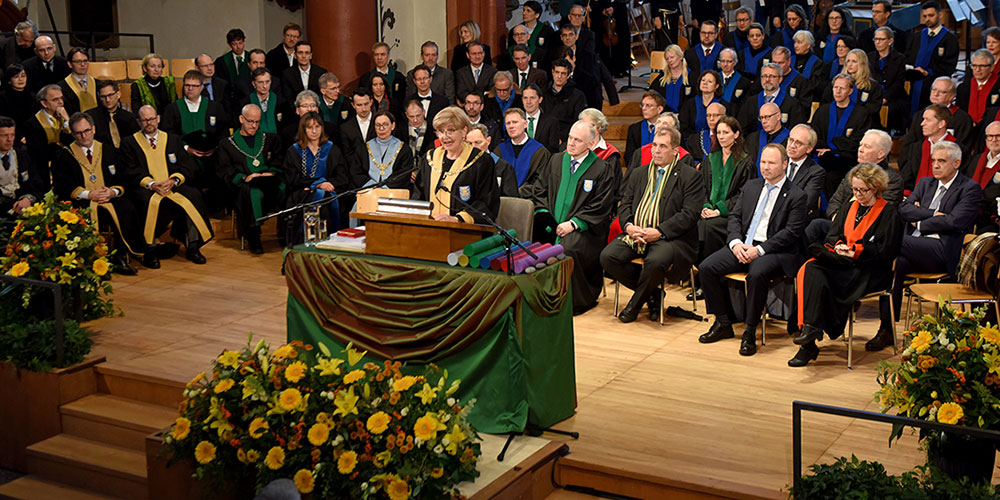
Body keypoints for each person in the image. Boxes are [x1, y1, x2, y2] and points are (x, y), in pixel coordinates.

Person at [872, 141, 982, 351]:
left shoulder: (969, 188)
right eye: (933, 160)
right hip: (912, 249)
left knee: (892, 241)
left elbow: (955, 222)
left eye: (942, 161)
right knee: (893, 264)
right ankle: (886, 328)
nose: (936, 165)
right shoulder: (925, 183)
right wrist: (931, 214)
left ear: (956, 163)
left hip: (942, 251)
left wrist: (920, 221)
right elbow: (904, 209)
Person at [698, 143, 807, 355]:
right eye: (763, 162)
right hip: (743, 244)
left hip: (774, 250)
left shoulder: (796, 195)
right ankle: (722, 322)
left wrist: (760, 250)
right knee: (706, 268)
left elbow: (790, 233)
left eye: (771, 163)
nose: (765, 167)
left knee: (756, 274)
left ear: (784, 164)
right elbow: (735, 218)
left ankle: (749, 331)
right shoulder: (751, 186)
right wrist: (736, 243)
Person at [789, 163, 902, 366]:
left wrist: (857, 250)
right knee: (811, 268)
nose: (857, 194)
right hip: (844, 264)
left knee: (822, 278)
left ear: (875, 187)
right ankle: (810, 332)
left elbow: (887, 251)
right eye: (855, 189)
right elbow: (833, 235)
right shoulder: (849, 207)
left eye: (862, 190)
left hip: (870, 270)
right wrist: (840, 246)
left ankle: (809, 342)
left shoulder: (888, 213)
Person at [601, 126, 705, 323]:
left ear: (675, 150)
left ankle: (635, 304)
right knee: (608, 257)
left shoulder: (690, 176)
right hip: (637, 233)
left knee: (655, 261)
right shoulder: (639, 173)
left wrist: (659, 232)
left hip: (671, 237)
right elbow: (625, 204)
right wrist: (629, 227)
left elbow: (689, 215)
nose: (656, 150)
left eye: (663, 146)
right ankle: (653, 294)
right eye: (654, 145)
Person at [528, 120, 615, 315]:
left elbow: (601, 204)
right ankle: (540, 297)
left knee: (569, 248)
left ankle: (574, 301)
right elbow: (539, 190)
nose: (571, 143)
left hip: (584, 229)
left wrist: (574, 224)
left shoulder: (601, 169)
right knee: (531, 243)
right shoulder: (556, 160)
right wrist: (545, 217)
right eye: (570, 138)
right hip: (551, 223)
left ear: (590, 144)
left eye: (577, 140)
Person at [52, 112, 152, 273]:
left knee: (127, 207)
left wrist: (112, 191)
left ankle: (120, 256)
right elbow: (62, 185)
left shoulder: (109, 150)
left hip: (108, 198)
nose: (84, 136)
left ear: (94, 129)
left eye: (87, 131)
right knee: (81, 213)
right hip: (82, 201)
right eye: (78, 133)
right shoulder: (64, 155)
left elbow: (123, 177)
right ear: (73, 133)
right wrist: (88, 194)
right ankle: (91, 260)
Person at [120, 105, 214, 264]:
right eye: (144, 120)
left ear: (158, 119)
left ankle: (193, 246)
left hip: (172, 185)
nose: (148, 123)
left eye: (151, 119)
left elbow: (187, 166)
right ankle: (149, 249)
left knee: (194, 196)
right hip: (147, 188)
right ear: (138, 121)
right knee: (145, 201)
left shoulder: (173, 139)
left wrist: (173, 180)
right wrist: (151, 184)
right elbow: (130, 170)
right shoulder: (129, 143)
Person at [413, 106, 500, 224]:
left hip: (465, 232)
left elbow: (486, 203)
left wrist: (457, 219)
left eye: (451, 130)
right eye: (441, 131)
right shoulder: (430, 159)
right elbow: (419, 196)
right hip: (430, 229)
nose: (445, 136)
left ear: (464, 131)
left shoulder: (481, 161)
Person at [217, 104, 285, 254]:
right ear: (241, 119)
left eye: (257, 122)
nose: (254, 126)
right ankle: (254, 237)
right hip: (244, 186)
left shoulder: (269, 139)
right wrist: (245, 177)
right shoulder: (227, 144)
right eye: (250, 121)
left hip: (268, 181)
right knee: (253, 193)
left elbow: (278, 158)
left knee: (285, 188)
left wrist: (271, 173)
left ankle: (286, 232)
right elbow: (225, 170)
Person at [160, 70, 229, 210]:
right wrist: (187, 149)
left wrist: (214, 148)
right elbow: (168, 136)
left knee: (220, 174)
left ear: (202, 87)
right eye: (187, 85)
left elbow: (223, 133)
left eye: (194, 86)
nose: (190, 89)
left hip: (211, 156)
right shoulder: (173, 108)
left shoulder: (214, 107)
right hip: (185, 157)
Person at [282, 111, 347, 240]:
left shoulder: (332, 149)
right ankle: (303, 240)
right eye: (310, 127)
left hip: (329, 193)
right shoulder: (294, 151)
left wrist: (327, 185)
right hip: (303, 193)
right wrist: (317, 183)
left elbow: (342, 176)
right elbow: (292, 178)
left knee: (328, 203)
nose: (314, 131)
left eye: (317, 127)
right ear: (303, 129)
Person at [697, 116, 754, 263]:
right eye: (719, 133)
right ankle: (697, 271)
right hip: (708, 211)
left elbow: (744, 195)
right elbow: (701, 188)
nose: (721, 136)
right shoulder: (710, 159)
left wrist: (718, 211)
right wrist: (705, 206)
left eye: (726, 132)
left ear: (736, 134)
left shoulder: (744, 162)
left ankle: (710, 272)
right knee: (696, 223)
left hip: (731, 216)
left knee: (708, 227)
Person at [811, 74, 871, 196]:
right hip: (821, 157)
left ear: (850, 91)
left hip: (846, 160)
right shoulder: (823, 110)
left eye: (842, 88)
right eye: (835, 87)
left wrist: (831, 149)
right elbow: (814, 136)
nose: (837, 91)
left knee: (831, 178)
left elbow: (857, 142)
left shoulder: (861, 113)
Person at [905, 1, 959, 115]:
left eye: (931, 15)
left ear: (940, 15)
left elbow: (949, 66)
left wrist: (927, 72)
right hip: (913, 83)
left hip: (932, 83)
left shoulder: (950, 39)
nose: (927, 19)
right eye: (925, 16)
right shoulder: (917, 36)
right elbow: (908, 58)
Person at [898, 104, 959, 193]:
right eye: (923, 119)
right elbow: (907, 179)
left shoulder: (957, 149)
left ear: (941, 124)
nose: (922, 124)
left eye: (928, 120)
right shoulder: (916, 147)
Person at [901, 77, 974, 151]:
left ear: (951, 96)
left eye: (942, 92)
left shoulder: (962, 119)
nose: (936, 94)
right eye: (934, 90)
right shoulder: (920, 115)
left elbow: (963, 149)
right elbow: (908, 144)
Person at [351, 110, 413, 193]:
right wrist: (372, 186)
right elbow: (356, 172)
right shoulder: (363, 149)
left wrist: (384, 188)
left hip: (394, 195)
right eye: (378, 125)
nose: (381, 128)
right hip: (368, 193)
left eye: (385, 124)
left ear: (393, 125)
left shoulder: (404, 149)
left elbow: (403, 174)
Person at [737, 63, 805, 134]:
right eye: (764, 76)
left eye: (772, 76)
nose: (767, 79)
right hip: (755, 143)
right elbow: (742, 129)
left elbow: (796, 131)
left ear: (780, 79)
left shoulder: (792, 104)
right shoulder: (750, 102)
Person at [496, 107, 551, 194]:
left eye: (515, 122)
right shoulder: (499, 150)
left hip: (528, 200)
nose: (511, 126)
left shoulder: (540, 152)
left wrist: (520, 193)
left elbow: (540, 183)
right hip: (502, 200)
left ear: (525, 124)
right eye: (508, 123)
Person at [0, 117, 44, 222]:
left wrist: (28, 199)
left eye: (12, 135)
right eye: (4, 135)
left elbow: (36, 183)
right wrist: (13, 205)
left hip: (24, 213)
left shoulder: (22, 156)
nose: (9, 139)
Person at [820, 49, 883, 120]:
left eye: (854, 61)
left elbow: (873, 109)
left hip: (862, 122)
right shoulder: (837, 82)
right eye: (848, 61)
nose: (850, 64)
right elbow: (825, 102)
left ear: (862, 64)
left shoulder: (873, 86)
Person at [23, 84, 72, 170]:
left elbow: (74, 140)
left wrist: (67, 120)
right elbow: (39, 153)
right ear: (44, 103)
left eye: (61, 98)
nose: (61, 102)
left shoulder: (67, 115)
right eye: (55, 100)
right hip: (46, 167)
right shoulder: (32, 124)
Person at [869, 27, 908, 135]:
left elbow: (899, 83)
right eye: (875, 39)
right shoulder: (870, 57)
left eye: (881, 39)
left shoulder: (899, 58)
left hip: (893, 96)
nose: (877, 42)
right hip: (874, 95)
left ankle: (892, 135)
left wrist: (886, 98)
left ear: (890, 41)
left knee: (893, 110)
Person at [578, 107, 622, 201]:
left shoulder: (610, 154)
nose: (588, 129)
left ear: (600, 127)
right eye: (584, 125)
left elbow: (613, 187)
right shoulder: (572, 150)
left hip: (600, 203)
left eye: (592, 125)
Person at [784, 124, 826, 220]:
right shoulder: (778, 161)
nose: (792, 146)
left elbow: (805, 204)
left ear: (809, 149)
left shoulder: (816, 172)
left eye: (798, 143)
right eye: (791, 140)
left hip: (798, 223)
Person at [965, 121, 1000, 232]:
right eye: (990, 136)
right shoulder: (977, 159)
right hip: (968, 211)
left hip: (991, 218)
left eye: (998, 136)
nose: (994, 140)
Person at [467, 123, 518, 198]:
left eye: (478, 142)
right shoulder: (463, 167)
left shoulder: (504, 168)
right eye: (469, 143)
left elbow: (512, 202)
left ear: (488, 141)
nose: (474, 147)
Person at [543, 59, 587, 143]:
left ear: (568, 75)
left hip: (567, 139)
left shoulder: (578, 96)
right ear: (552, 72)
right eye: (557, 72)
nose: (559, 76)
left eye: (563, 73)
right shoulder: (543, 93)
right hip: (545, 136)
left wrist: (562, 138)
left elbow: (579, 121)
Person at [88, 80, 138, 152]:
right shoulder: (91, 117)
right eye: (103, 97)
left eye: (110, 95)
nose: (107, 100)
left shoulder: (129, 118)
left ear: (118, 94)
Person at [957, 49, 1000, 126]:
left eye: (982, 66)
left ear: (992, 67)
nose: (977, 70)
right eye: (974, 65)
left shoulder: (998, 86)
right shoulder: (963, 88)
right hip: (967, 129)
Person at [746, 102, 790, 174]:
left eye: (767, 117)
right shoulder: (752, 138)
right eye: (761, 118)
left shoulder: (789, 140)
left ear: (778, 116)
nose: (763, 121)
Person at [280, 41, 326, 106]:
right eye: (300, 53)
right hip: (295, 112)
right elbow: (288, 98)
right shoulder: (287, 74)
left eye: (307, 53)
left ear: (311, 56)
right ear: (295, 55)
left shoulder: (321, 73)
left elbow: (323, 96)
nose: (304, 56)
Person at [679, 70, 722, 139]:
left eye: (709, 81)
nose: (705, 83)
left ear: (716, 86)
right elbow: (683, 128)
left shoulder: (723, 105)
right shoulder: (689, 104)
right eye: (703, 80)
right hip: (692, 143)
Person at [650, 44, 692, 113]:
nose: (669, 60)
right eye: (667, 59)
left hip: (685, 119)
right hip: (663, 117)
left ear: (681, 57)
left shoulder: (691, 77)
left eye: (672, 57)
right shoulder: (661, 79)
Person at [626, 91, 665, 162]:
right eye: (642, 105)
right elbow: (629, 156)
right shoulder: (634, 129)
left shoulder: (667, 128)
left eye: (648, 105)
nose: (643, 108)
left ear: (659, 109)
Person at [521, 84, 561, 153]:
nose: (528, 102)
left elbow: (553, 150)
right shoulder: (516, 121)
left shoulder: (551, 122)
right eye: (525, 98)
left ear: (540, 100)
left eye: (532, 98)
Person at [58, 48, 97, 116]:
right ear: (70, 64)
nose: (82, 64)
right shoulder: (61, 87)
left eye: (85, 61)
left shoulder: (97, 83)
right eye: (78, 61)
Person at [244, 68, 282, 137]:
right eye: (260, 82)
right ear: (253, 84)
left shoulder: (281, 102)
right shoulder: (245, 103)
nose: (264, 86)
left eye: (267, 82)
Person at [0, 64, 36, 138]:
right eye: (16, 77)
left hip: (31, 133)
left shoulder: (33, 97)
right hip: (11, 135)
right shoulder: (2, 98)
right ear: (9, 80)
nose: (20, 79)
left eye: (23, 76)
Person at [791, 30, 825, 102]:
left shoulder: (817, 63)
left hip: (807, 99)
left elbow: (815, 85)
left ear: (808, 45)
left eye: (799, 42)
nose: (795, 46)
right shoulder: (790, 60)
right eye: (795, 42)